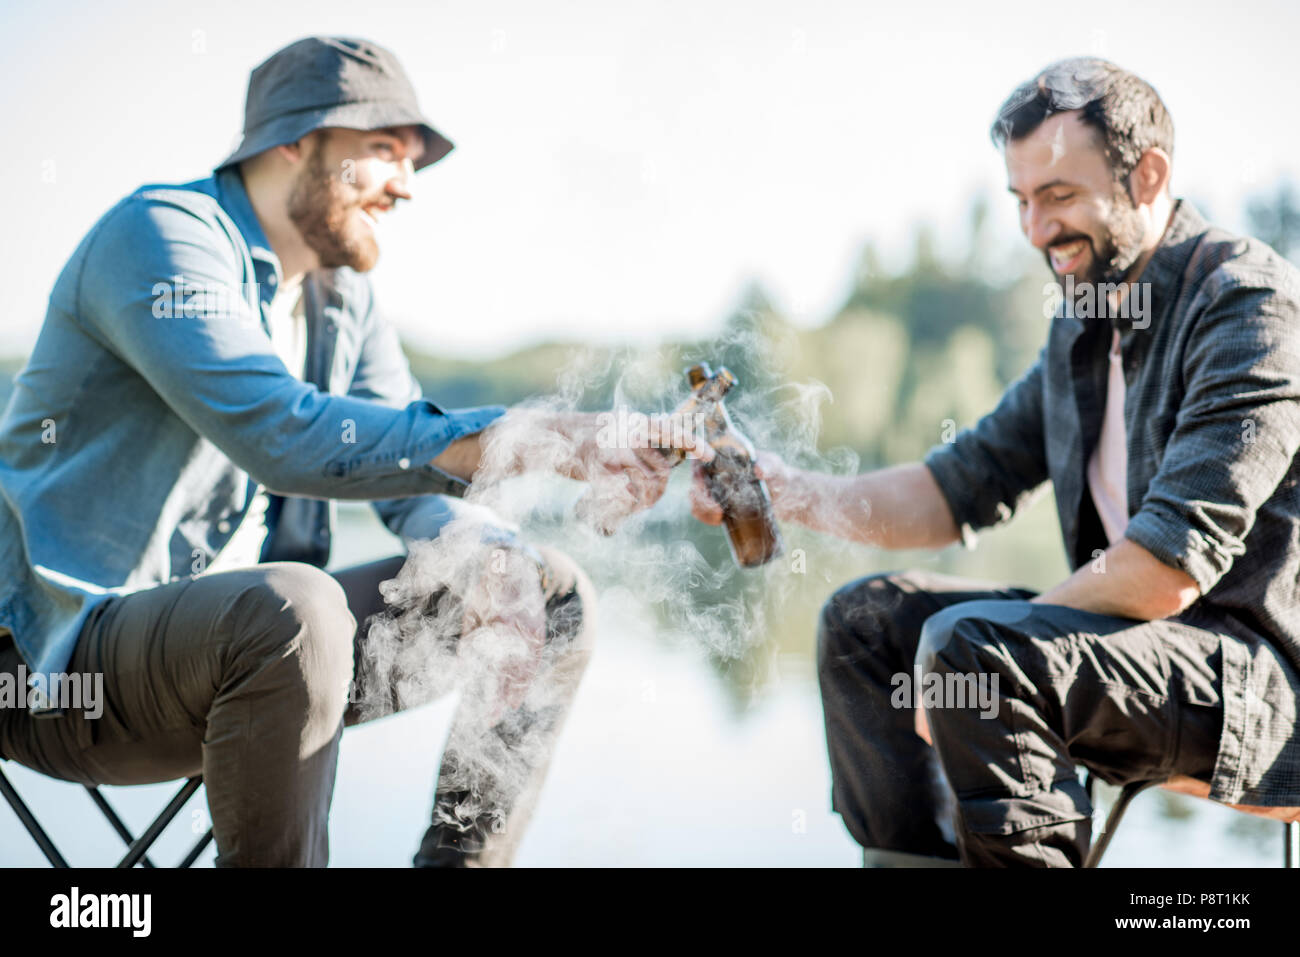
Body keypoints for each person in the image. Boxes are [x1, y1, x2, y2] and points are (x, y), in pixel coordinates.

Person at [0, 35, 703, 867]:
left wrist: (487, 552)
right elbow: (281, 434)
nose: (406, 184)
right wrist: (540, 437)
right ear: (295, 141)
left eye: (410, 160)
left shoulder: (345, 300)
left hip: (258, 667)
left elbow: (413, 481)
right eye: (381, 152)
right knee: (298, 609)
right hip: (61, 669)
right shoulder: (160, 237)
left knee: (547, 595)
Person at [691, 56, 1300, 866]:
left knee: (971, 650)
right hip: (1129, 658)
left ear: (1148, 176)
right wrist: (780, 488)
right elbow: (949, 491)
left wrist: (974, 654)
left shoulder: (1250, 305)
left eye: (1058, 197)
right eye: (1020, 201)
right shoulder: (1081, 326)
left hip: (1255, 686)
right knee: (864, 625)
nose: (1035, 231)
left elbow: (1165, 572)